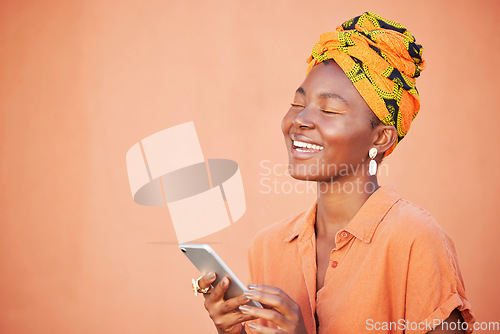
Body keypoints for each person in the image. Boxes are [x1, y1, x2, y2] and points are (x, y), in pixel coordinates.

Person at [194, 12, 475, 334]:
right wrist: (233, 332)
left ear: (380, 138)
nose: (300, 120)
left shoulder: (416, 241)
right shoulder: (268, 246)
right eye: (297, 104)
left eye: (329, 110)